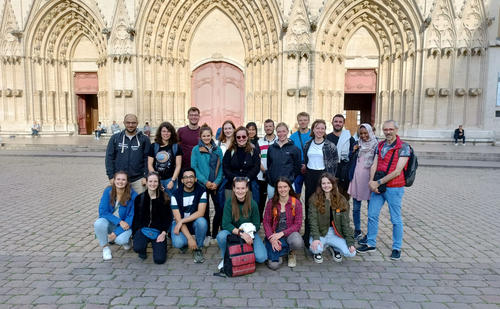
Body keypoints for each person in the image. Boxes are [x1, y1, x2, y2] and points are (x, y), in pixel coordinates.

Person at [357, 120, 410, 261]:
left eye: (391, 129)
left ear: (396, 130)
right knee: (372, 214)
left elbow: (398, 171)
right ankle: (371, 243)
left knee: (395, 218)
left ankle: (397, 247)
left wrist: (378, 182)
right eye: (385, 129)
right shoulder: (380, 145)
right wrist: (371, 181)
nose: (388, 132)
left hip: (395, 188)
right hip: (378, 187)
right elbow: (374, 163)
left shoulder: (404, 147)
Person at [216, 177, 267, 270]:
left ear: (247, 189)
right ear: (234, 189)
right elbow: (225, 224)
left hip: (249, 233)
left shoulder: (253, 204)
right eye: (238, 188)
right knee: (221, 236)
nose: (240, 191)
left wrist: (248, 234)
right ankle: (226, 257)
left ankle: (247, 251)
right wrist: (241, 234)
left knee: (261, 258)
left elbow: (257, 224)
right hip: (234, 232)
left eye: (243, 188)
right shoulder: (229, 203)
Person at [303, 119, 338, 247]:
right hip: (310, 176)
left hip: (324, 177)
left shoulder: (330, 146)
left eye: (322, 128)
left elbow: (334, 165)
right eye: (317, 128)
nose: (320, 131)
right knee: (309, 205)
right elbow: (306, 160)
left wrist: (330, 181)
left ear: (325, 130)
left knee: (325, 206)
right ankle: (308, 235)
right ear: (313, 129)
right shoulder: (308, 144)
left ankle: (325, 235)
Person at [309, 173, 356, 263]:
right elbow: (313, 221)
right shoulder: (314, 199)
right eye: (323, 183)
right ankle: (321, 247)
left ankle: (335, 247)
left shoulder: (342, 200)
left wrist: (350, 242)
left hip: (335, 233)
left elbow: (346, 223)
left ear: (333, 184)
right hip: (321, 233)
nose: (326, 185)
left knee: (351, 253)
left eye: (329, 183)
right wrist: (316, 238)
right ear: (320, 185)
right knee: (316, 249)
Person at [191, 125, 223, 246]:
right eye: (204, 136)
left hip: (216, 185)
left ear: (212, 136)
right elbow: (194, 167)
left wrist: (216, 182)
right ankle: (206, 234)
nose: (206, 138)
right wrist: (206, 182)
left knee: (219, 209)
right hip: (202, 185)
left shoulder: (217, 150)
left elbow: (221, 168)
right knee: (204, 210)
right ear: (200, 137)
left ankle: (215, 233)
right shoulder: (196, 150)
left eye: (208, 135)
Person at [94, 171, 137, 261]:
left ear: (127, 182)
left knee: (121, 240)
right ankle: (105, 248)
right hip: (114, 222)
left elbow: (131, 216)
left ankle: (127, 239)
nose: (120, 182)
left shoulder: (133, 195)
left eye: (123, 180)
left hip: (126, 225)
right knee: (99, 223)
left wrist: (116, 232)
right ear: (114, 180)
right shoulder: (108, 191)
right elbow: (103, 212)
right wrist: (119, 222)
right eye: (118, 179)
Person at [132, 172, 173, 264]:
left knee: (159, 260)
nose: (153, 184)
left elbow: (168, 218)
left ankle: (160, 246)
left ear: (159, 183)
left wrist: (163, 232)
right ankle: (142, 249)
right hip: (143, 229)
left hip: (158, 232)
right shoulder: (139, 198)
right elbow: (136, 218)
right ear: (146, 182)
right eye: (150, 181)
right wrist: (135, 233)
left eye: (155, 181)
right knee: (138, 247)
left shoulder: (165, 198)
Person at [263, 177, 304, 270]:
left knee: (298, 242)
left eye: (285, 186)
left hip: (289, 233)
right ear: (277, 189)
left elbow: (297, 225)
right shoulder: (271, 203)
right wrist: (272, 238)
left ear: (289, 187)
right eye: (280, 187)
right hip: (274, 234)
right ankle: (278, 249)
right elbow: (266, 222)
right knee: (274, 266)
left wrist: (282, 233)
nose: (283, 189)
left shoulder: (296, 203)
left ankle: (290, 251)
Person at [105, 114, 151, 194]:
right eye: (128, 122)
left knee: (140, 205)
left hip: (138, 180)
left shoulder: (144, 139)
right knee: (120, 204)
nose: (130, 125)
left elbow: (147, 158)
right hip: (120, 180)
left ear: (137, 123)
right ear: (124, 123)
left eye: (133, 123)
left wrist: (146, 176)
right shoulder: (115, 138)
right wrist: (111, 176)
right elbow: (109, 158)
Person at [170, 168, 208, 263]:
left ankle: (198, 248)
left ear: (195, 179)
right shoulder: (175, 194)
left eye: (191, 177)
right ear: (182, 180)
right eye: (186, 177)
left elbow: (200, 213)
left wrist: (182, 220)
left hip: (193, 221)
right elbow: (178, 219)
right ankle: (186, 243)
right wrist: (190, 238)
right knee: (178, 243)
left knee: (202, 222)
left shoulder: (202, 190)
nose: (189, 180)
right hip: (179, 222)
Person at [348, 124, 378, 240]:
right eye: (361, 133)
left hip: (370, 179)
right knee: (356, 207)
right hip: (357, 178)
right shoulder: (357, 144)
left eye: (366, 133)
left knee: (371, 209)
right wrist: (353, 151)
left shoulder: (376, 145)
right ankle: (357, 229)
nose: (364, 136)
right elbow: (351, 159)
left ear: (370, 132)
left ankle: (370, 233)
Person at [222, 127, 261, 201]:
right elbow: (225, 167)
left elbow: (256, 167)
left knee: (249, 209)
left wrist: (247, 178)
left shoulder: (254, 151)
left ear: (247, 137)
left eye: (243, 136)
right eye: (238, 137)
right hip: (231, 185)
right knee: (230, 208)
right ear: (235, 138)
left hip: (249, 185)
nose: (241, 139)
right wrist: (233, 178)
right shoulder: (229, 151)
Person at [266, 122, 301, 199]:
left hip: (288, 185)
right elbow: (269, 165)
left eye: (283, 131)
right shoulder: (271, 148)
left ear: (287, 131)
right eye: (279, 132)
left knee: (289, 208)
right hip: (272, 185)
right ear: (276, 133)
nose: (281, 134)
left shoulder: (295, 149)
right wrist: (270, 178)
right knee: (273, 208)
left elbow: (297, 168)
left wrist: (290, 179)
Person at [148, 122, 182, 196]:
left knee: (170, 201)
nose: (166, 133)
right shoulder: (153, 146)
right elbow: (150, 165)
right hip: (156, 180)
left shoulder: (176, 147)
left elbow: (178, 165)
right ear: (160, 133)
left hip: (170, 179)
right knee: (157, 201)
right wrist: (155, 180)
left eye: (168, 131)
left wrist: (173, 180)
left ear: (172, 133)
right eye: (164, 131)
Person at [326, 114, 356, 200]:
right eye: (336, 121)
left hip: (345, 174)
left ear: (343, 124)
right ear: (332, 122)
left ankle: (344, 213)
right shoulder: (327, 138)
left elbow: (353, 156)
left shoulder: (349, 138)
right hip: (331, 173)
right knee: (331, 198)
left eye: (340, 122)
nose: (338, 124)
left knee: (344, 199)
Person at [257, 119, 277, 215]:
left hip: (274, 176)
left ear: (273, 127)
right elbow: (258, 159)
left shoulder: (278, 141)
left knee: (273, 201)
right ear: (264, 128)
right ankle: (259, 222)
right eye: (266, 126)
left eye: (270, 126)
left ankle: (273, 220)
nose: (268, 128)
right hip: (262, 175)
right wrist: (264, 171)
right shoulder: (259, 142)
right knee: (260, 201)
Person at [289, 112, 312, 197]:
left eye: (305, 120)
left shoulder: (314, 135)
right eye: (300, 120)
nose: (303, 122)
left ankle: (308, 210)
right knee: (296, 193)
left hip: (310, 166)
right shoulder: (292, 137)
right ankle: (297, 209)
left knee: (310, 193)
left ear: (308, 121)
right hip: (297, 166)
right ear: (298, 121)